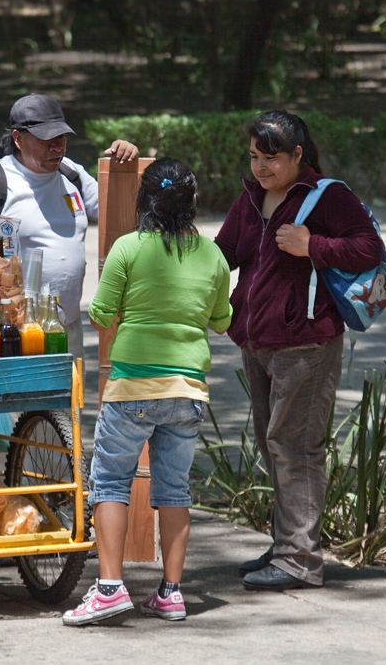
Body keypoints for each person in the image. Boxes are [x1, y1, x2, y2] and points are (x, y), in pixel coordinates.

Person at [214, 110, 383, 592]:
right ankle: (287, 544)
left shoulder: (328, 197)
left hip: (306, 344)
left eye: (271, 159)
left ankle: (299, 562)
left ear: (297, 156)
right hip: (257, 341)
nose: (261, 168)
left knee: (297, 449)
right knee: (276, 445)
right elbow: (224, 253)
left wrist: (314, 245)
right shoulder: (250, 199)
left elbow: (368, 247)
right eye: (254, 158)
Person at [63, 158, 232, 626]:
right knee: (174, 489)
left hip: (133, 385)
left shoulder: (127, 248)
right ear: (192, 202)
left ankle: (110, 589)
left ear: (145, 200)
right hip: (188, 391)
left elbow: (99, 314)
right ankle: (171, 594)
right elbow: (222, 322)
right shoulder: (213, 255)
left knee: (111, 483)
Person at [0, 93, 138, 363]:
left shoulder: (70, 173)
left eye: (62, 139)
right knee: (17, 405)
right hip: (11, 332)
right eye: (47, 141)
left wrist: (126, 168)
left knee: (68, 405)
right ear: (18, 139)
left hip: (68, 328)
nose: (57, 148)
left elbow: (121, 216)